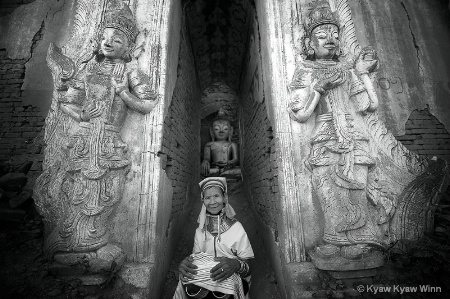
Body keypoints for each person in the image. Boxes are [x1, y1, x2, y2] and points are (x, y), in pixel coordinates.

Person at [288, 1, 391, 259]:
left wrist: (363, 73)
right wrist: (318, 89)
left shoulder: (346, 71)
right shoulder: (305, 70)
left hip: (353, 136)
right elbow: (300, 114)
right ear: (310, 43)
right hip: (325, 136)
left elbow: (369, 105)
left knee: (356, 188)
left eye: (335, 35)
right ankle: (334, 241)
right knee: (326, 188)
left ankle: (361, 241)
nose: (330, 40)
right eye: (322, 36)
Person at [173, 177, 254, 299]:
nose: (212, 202)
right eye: (207, 198)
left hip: (233, 280)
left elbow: (249, 268)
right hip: (208, 279)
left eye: (216, 196)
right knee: (190, 285)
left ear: (225, 198)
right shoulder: (200, 231)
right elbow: (196, 260)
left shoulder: (237, 228)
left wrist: (235, 264)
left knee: (222, 293)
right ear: (203, 201)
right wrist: (186, 265)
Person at [201, 110, 239, 177]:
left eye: (225, 129)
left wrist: (230, 163)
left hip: (228, 168)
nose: (221, 131)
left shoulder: (232, 144)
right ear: (212, 131)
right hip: (214, 168)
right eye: (216, 129)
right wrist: (205, 162)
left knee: (239, 171)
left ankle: (222, 173)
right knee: (204, 170)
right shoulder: (209, 144)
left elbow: (236, 159)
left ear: (230, 131)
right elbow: (207, 159)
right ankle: (221, 173)